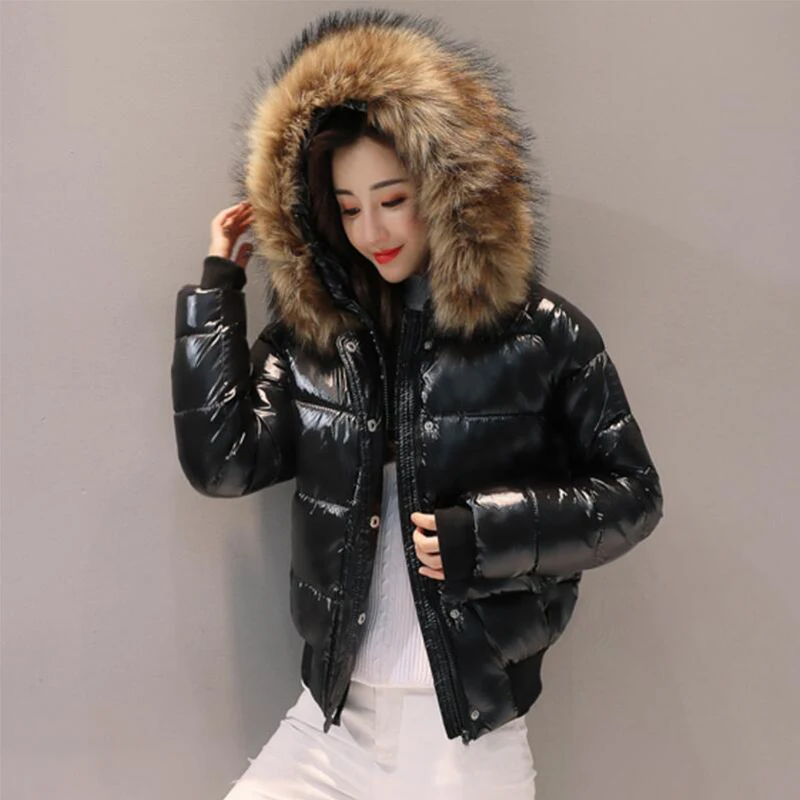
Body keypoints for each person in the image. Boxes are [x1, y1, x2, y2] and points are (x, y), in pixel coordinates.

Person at [171, 8, 664, 799]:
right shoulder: (315, 340)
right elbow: (223, 464)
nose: (372, 230)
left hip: (464, 741)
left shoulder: (542, 334)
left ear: (445, 187)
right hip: (330, 728)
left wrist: (488, 534)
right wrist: (217, 290)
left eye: (392, 198)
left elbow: (634, 494)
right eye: (348, 207)